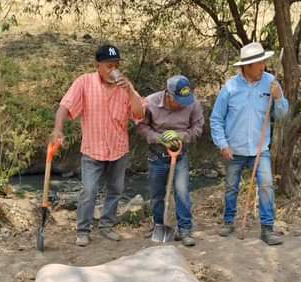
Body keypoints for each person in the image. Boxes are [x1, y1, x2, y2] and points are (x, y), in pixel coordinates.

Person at [51, 44, 144, 246]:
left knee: (115, 190)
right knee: (89, 190)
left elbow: (139, 114)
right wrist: (58, 129)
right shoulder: (84, 83)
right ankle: (83, 230)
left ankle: (106, 226)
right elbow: (64, 107)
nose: (113, 70)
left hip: (118, 149)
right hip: (93, 150)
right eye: (109, 65)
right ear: (98, 66)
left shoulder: (125, 87)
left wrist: (131, 93)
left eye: (116, 65)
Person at [210, 41, 289, 246]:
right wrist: (222, 144)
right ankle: (228, 222)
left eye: (264, 62)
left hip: (259, 148)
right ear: (246, 66)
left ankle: (267, 229)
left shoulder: (271, 82)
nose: (263, 66)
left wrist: (279, 98)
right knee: (230, 187)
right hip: (234, 149)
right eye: (259, 63)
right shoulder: (230, 87)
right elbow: (216, 119)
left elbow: (282, 115)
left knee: (266, 186)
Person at [137, 75, 204, 246]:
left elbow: (198, 127)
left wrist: (182, 136)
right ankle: (158, 226)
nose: (183, 104)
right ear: (168, 94)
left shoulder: (193, 103)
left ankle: (185, 230)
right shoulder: (150, 102)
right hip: (157, 155)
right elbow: (142, 126)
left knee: (182, 192)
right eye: (179, 100)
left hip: (180, 155)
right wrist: (158, 138)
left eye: (185, 100)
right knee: (157, 194)